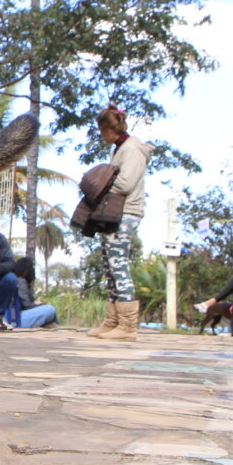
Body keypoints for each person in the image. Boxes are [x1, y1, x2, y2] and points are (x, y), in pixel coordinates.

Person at [86, 104, 152, 341]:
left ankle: (127, 325)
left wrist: (97, 183)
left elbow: (124, 183)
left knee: (118, 264)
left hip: (126, 212)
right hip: (112, 212)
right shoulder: (119, 148)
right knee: (109, 264)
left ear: (106, 128)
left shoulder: (133, 149)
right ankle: (113, 320)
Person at [11, 257, 58, 328]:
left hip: (13, 318)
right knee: (50, 309)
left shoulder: (13, 280)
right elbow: (27, 305)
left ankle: (51, 324)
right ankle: (54, 325)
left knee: (48, 309)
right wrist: (38, 305)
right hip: (16, 320)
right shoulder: (20, 281)